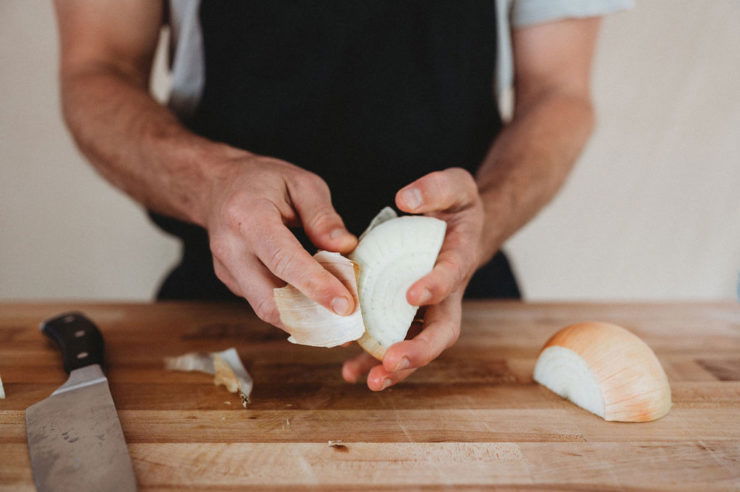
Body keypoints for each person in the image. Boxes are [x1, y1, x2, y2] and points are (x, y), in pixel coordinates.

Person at [53, 0, 631, 390]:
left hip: (459, 288)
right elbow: (95, 67)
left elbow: (559, 92)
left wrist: (490, 211)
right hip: (217, 299)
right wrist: (212, 181)